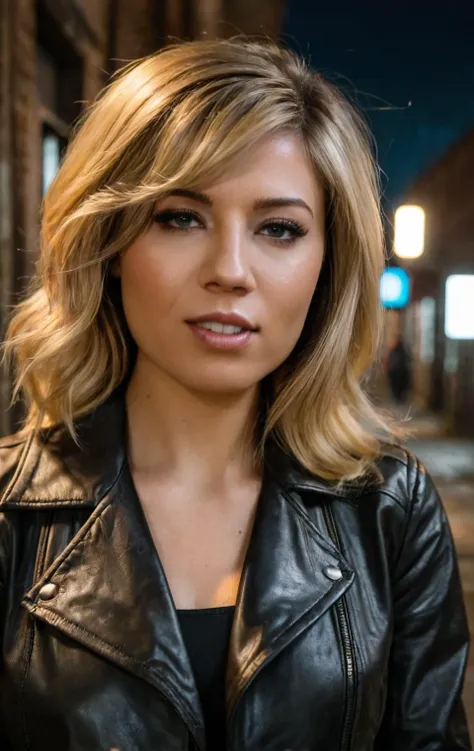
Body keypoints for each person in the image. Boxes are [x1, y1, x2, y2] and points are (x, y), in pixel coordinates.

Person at [0, 38, 470, 751]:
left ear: (327, 266)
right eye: (179, 217)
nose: (230, 269)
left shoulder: (391, 512)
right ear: (109, 243)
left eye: (279, 229)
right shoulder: (11, 523)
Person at [387, 335, 412, 404]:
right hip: (397, 372)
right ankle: (398, 398)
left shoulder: (403, 350)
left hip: (400, 372)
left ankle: (399, 398)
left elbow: (408, 359)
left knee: (400, 387)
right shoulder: (395, 350)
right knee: (397, 387)